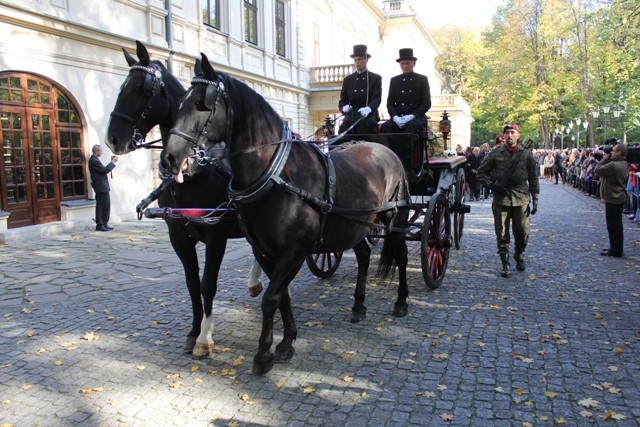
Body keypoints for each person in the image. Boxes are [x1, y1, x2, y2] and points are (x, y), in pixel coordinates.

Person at [477, 123, 540, 277]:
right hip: (501, 198)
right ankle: (504, 261)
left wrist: (535, 197)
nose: (509, 135)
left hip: (521, 197)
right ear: (503, 136)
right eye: (507, 133)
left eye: (512, 132)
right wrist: (492, 185)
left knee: (522, 232)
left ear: (518, 135)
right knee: (502, 233)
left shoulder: (526, 154)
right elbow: (481, 172)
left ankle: (519, 254)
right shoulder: (495, 153)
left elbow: (533, 177)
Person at [379, 48, 431, 135]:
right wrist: (395, 117)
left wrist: (412, 116)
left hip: (416, 117)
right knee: (385, 127)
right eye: (402, 63)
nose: (405, 66)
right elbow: (390, 103)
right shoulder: (394, 80)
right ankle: (390, 149)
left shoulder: (422, 79)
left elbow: (426, 103)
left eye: (407, 63)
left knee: (410, 127)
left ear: (413, 63)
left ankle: (406, 149)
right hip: (399, 116)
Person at [337, 44, 382, 135]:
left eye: (360, 59)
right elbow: (343, 100)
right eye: (355, 60)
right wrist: (344, 107)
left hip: (368, 114)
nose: (357, 62)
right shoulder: (348, 80)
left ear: (366, 60)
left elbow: (376, 99)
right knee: (343, 128)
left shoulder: (375, 78)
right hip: (351, 114)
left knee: (362, 125)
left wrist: (369, 108)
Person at [594, 143, 629, 257]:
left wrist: (604, 159)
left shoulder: (613, 165)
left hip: (613, 198)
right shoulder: (623, 163)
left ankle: (616, 249)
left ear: (619, 153)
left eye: (613, 151)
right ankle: (615, 247)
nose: (611, 153)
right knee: (616, 225)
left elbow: (597, 170)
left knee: (613, 226)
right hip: (617, 197)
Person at [89, 144, 117, 232]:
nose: (102, 152)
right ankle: (100, 225)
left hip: (103, 187)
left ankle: (104, 223)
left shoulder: (96, 160)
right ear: (96, 151)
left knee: (106, 205)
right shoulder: (93, 160)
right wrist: (112, 162)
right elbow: (104, 170)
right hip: (100, 187)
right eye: (100, 151)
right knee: (101, 206)